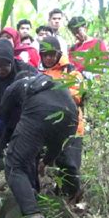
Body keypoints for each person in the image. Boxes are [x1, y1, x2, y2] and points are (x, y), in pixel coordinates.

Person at [0, 73, 78, 218]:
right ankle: (66, 197)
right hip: (71, 116)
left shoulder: (18, 85)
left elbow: (2, 116)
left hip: (39, 112)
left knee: (14, 165)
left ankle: (32, 215)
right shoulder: (50, 84)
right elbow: (57, 145)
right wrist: (46, 161)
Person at [0, 39, 38, 198]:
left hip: (23, 119)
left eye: (4, 66)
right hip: (0, 116)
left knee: (27, 155)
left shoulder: (25, 70)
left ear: (12, 62)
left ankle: (32, 190)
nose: (0, 70)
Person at [39, 36, 85, 203]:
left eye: (52, 54)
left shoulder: (72, 73)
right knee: (56, 162)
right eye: (45, 55)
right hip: (49, 127)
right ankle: (61, 199)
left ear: (59, 54)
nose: (49, 58)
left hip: (72, 126)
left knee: (70, 163)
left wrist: (53, 92)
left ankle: (74, 197)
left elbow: (76, 97)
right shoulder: (40, 75)